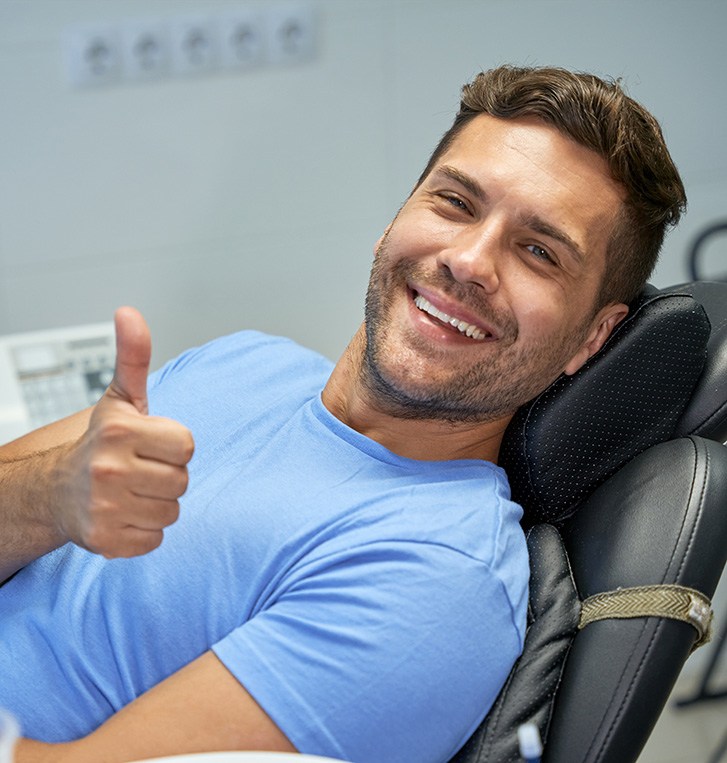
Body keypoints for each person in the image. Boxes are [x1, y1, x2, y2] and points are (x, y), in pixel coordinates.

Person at [0, 65, 685, 763]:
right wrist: (47, 492)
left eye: (537, 251)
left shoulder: (436, 582)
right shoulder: (241, 363)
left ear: (592, 337)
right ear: (396, 218)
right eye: (454, 202)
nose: (469, 259)